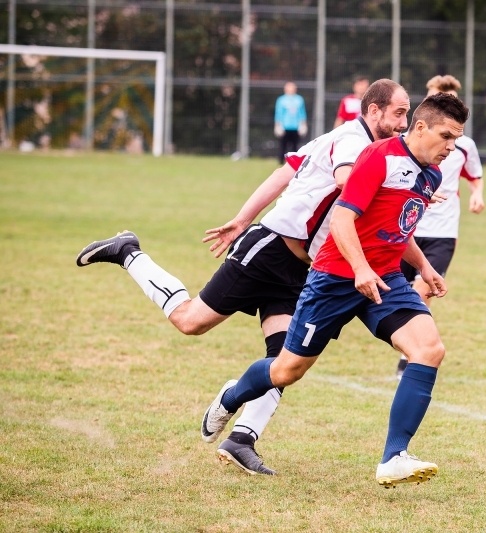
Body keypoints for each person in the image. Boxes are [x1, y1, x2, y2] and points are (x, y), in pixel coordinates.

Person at [75, 78, 412, 476]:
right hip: (268, 250)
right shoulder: (354, 142)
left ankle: (242, 439)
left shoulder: (356, 144)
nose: (404, 123)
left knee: (285, 359)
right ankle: (128, 252)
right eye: (399, 113)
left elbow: (285, 172)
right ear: (373, 111)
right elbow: (344, 180)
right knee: (190, 322)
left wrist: (241, 217)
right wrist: (397, 186)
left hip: (301, 269)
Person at [201, 93, 471, 488]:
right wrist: (359, 269)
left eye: (457, 139)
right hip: (334, 277)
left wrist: (425, 268)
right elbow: (343, 219)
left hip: (384, 279)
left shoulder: (430, 175)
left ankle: (394, 456)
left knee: (429, 350)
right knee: (286, 370)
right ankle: (232, 396)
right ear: (420, 127)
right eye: (446, 135)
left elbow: (401, 227)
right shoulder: (378, 157)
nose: (451, 146)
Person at [396, 74, 485, 379]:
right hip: (409, 228)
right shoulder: (411, 141)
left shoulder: (463, 146)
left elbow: (475, 176)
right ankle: (413, 346)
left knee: (421, 292)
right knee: (399, 295)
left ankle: (414, 356)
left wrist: (478, 195)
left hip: (443, 232)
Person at [274, 82, 308, 164]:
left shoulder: (299, 99)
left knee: (295, 146)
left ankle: (295, 162)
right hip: (285, 126)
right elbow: (278, 113)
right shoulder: (281, 100)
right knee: (283, 146)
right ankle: (281, 162)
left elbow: (302, 113)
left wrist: (303, 124)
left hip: (295, 127)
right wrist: (277, 125)